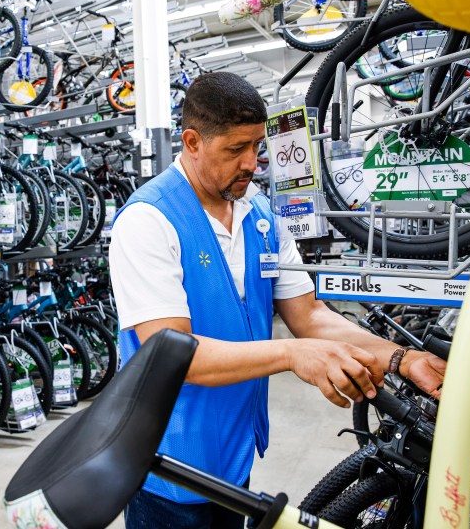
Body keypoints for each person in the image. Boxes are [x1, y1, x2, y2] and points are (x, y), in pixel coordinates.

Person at [108, 72, 446, 529]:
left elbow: (309, 316)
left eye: (257, 147)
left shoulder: (260, 215)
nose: (252, 163)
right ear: (192, 141)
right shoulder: (148, 221)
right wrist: (292, 353)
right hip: (165, 464)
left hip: (232, 456)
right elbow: (175, 354)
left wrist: (401, 359)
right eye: (235, 150)